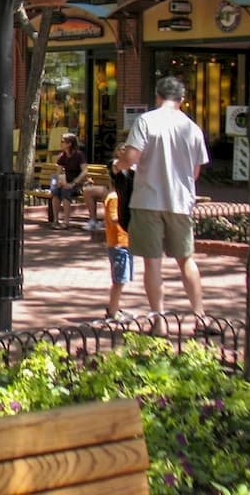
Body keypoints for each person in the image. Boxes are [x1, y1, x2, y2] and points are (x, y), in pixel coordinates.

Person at [117, 76, 215, 337]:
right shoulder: (192, 128)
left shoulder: (146, 121)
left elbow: (132, 157)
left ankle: (159, 321)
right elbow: (195, 173)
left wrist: (118, 165)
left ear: (158, 96)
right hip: (181, 201)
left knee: (153, 263)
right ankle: (200, 316)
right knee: (186, 260)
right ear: (182, 100)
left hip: (148, 200)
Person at [101, 152, 135, 321]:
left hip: (125, 243)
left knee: (122, 278)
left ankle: (115, 308)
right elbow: (114, 218)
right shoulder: (114, 198)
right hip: (118, 244)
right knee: (119, 280)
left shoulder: (116, 197)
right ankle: (112, 310)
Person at [49, 133, 87, 229]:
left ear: (69, 143)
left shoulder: (79, 155)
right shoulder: (62, 156)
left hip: (78, 184)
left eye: (62, 141)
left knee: (66, 191)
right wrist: (58, 181)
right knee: (56, 192)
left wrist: (73, 183)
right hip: (66, 182)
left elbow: (85, 171)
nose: (61, 143)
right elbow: (58, 171)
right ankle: (56, 220)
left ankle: (66, 222)